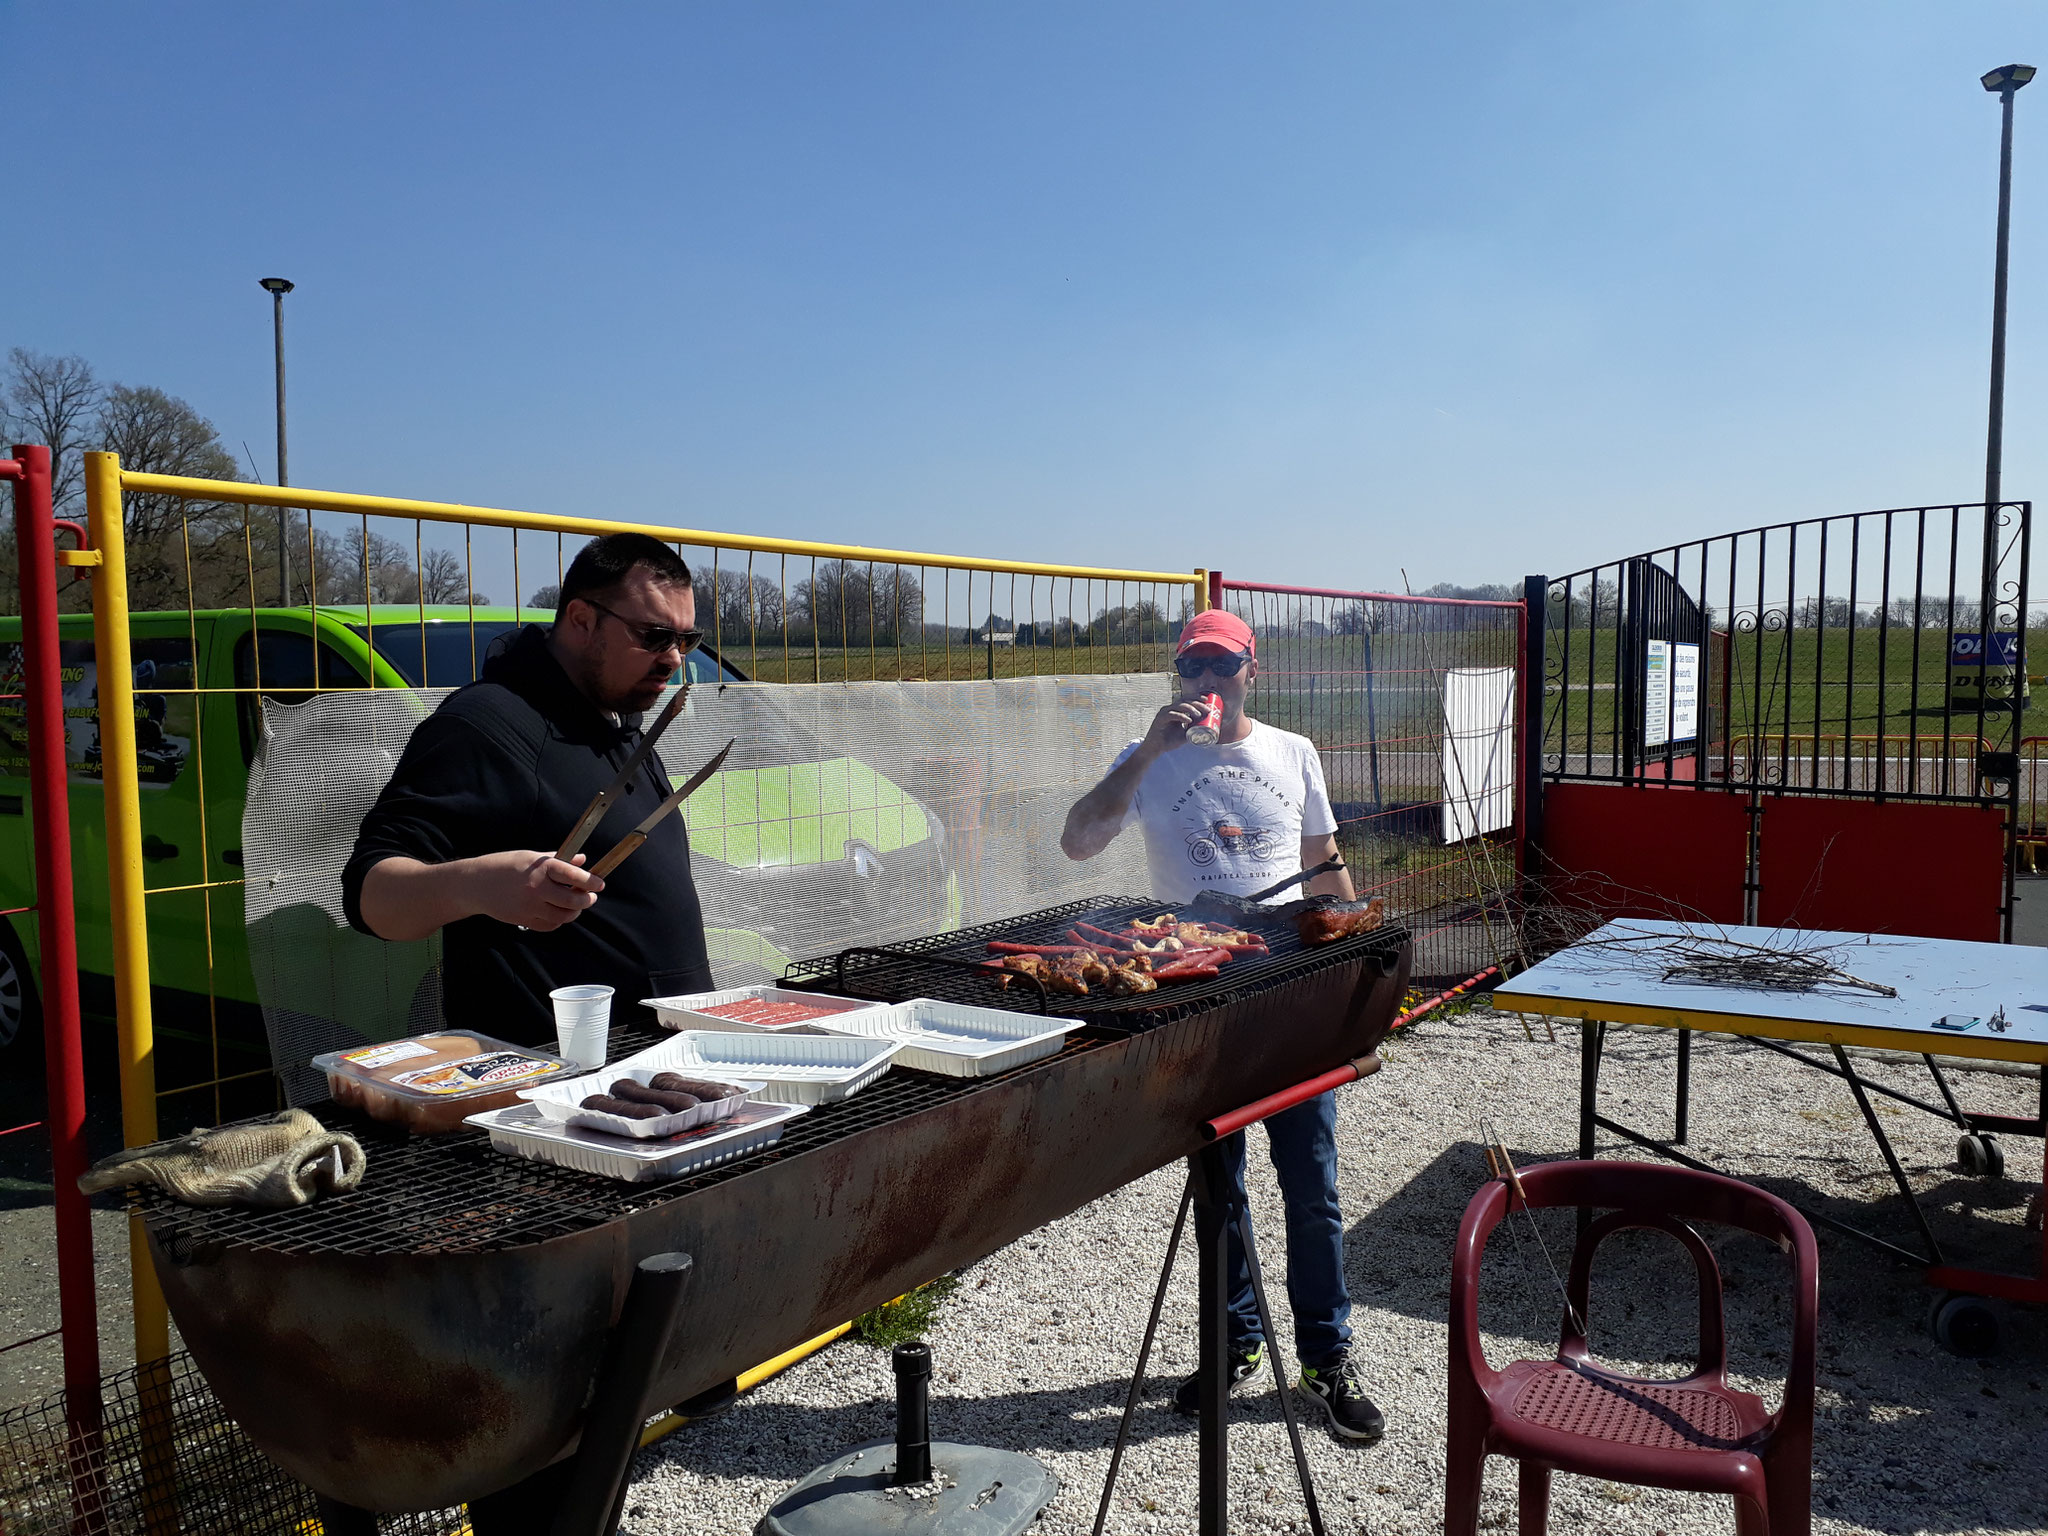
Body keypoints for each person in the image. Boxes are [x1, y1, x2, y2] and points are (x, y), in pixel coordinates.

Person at [1059, 607, 1384, 1444]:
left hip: (1290, 986)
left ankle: (1327, 1356)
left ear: (1252, 671)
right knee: (1218, 1187)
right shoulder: (1151, 758)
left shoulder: (1292, 751)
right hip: (1200, 984)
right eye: (1192, 670)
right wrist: (1147, 754)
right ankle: (1233, 1343)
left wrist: (1349, 938)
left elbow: (1322, 861)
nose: (1206, 685)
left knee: (1312, 1183)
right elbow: (1079, 843)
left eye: (1221, 668)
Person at [343, 532, 716, 1044]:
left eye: (685, 640)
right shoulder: (484, 726)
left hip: (668, 1065)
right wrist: (479, 884)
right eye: (653, 636)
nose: (674, 659)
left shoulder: (613, 716)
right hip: (557, 1088)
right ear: (583, 620)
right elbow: (370, 897)